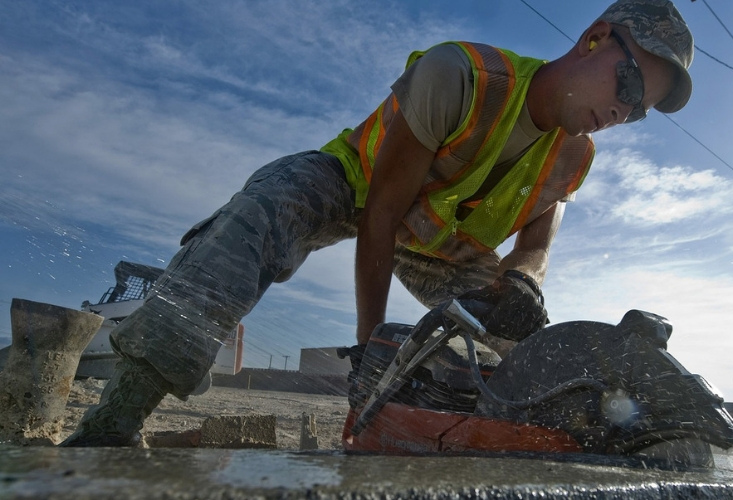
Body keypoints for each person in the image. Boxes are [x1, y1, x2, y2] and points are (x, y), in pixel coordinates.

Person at [62, 0, 694, 447]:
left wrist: (524, 282)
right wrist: (368, 352)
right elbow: (382, 216)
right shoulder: (463, 77)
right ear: (594, 38)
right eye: (630, 84)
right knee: (259, 215)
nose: (623, 111)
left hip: (444, 246)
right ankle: (114, 420)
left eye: (639, 112)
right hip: (356, 189)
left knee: (527, 347)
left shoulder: (576, 152)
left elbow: (538, 233)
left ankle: (512, 438)